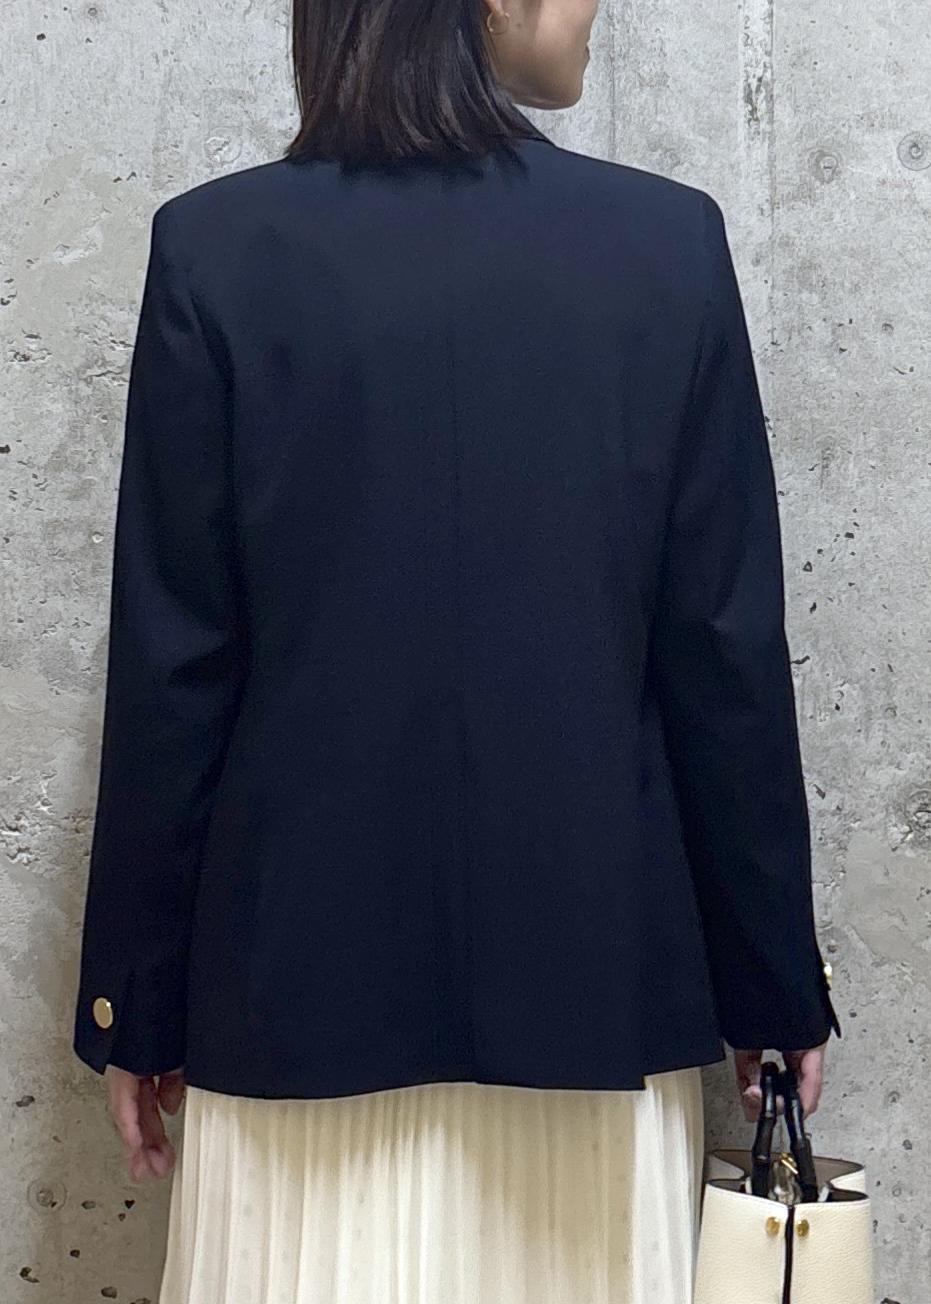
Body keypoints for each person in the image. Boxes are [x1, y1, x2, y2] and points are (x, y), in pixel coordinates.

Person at [71, 0, 842, 1300]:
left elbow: (175, 672)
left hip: (290, 1005)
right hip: (591, 1012)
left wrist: (135, 1002)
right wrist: (770, 983)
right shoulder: (665, 247)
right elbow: (722, 662)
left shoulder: (215, 249)